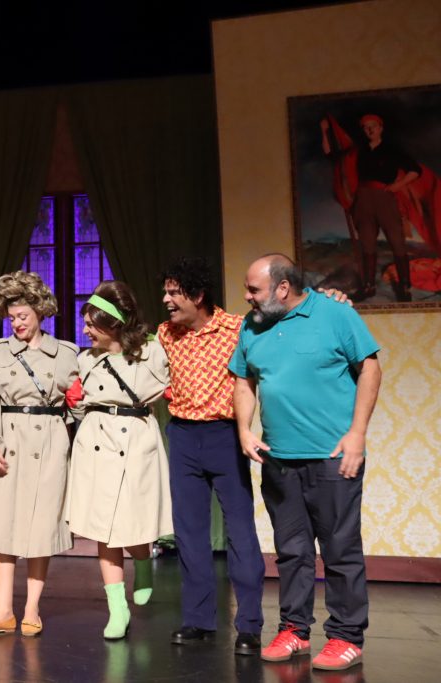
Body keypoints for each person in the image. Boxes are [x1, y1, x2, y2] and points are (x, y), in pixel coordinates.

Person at [231, 253, 381, 671]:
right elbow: (243, 379)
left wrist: (357, 434)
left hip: (332, 456)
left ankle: (346, 637)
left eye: (254, 290)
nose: (247, 297)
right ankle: (295, 630)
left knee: (340, 549)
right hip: (279, 458)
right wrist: (245, 429)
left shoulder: (335, 314)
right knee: (292, 551)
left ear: (283, 287)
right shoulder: (253, 325)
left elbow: (369, 368)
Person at [0, 271, 79, 638]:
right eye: (12, 317)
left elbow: (77, 406)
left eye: (23, 315)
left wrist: (78, 407)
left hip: (50, 444)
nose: (17, 323)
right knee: (2, 526)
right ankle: (2, 610)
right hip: (8, 442)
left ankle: (31, 609)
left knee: (42, 526)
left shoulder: (67, 354)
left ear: (40, 312)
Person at [157, 257, 265, 654]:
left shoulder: (238, 328)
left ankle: (250, 625)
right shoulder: (165, 333)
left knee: (240, 531)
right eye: (165, 291)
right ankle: (198, 619)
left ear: (198, 295)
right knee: (189, 533)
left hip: (224, 435)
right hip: (183, 436)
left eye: (174, 292)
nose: (166, 299)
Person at [65, 281, 173, 640]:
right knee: (103, 529)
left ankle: (142, 564)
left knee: (132, 520)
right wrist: (75, 401)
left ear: (113, 324)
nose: (85, 331)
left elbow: (169, 384)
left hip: (137, 436)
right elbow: (81, 407)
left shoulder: (153, 352)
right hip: (97, 439)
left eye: (91, 324)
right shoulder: (85, 360)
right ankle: (117, 608)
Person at [321, 113, 422, 301]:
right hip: (363, 200)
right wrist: (324, 130)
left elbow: (415, 170)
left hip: (385, 198)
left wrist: (396, 186)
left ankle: (405, 286)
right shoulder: (357, 152)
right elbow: (331, 155)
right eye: (366, 127)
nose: (369, 130)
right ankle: (369, 286)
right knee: (367, 243)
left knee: (396, 241)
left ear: (380, 127)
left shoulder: (392, 149)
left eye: (373, 126)